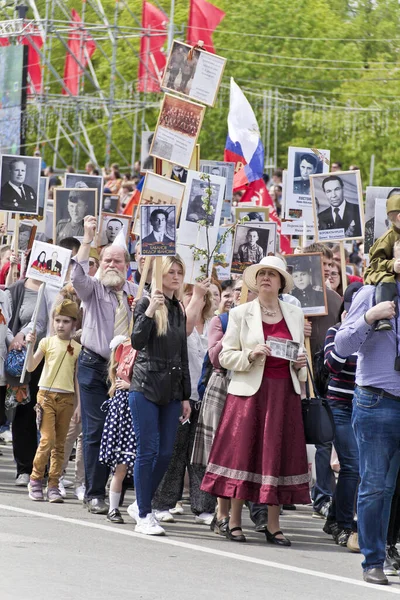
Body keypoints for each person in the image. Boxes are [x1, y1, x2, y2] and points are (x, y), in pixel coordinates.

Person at [201, 256, 310, 545]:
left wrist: (301, 363)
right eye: (261, 274)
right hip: (250, 394)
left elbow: (299, 361)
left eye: (272, 275)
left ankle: (273, 525)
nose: (266, 278)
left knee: (278, 456)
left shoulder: (295, 314)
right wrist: (250, 355)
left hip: (284, 393)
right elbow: (224, 356)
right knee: (243, 455)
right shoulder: (241, 313)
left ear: (281, 282)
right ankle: (234, 521)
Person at [335, 241, 400, 585]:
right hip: (376, 401)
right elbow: (342, 347)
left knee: (390, 488)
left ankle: (388, 550)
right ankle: (373, 560)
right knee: (376, 485)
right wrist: (369, 318)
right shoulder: (371, 293)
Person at [71, 215, 138, 515]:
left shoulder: (137, 294)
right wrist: (87, 238)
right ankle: (94, 493)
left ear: (127, 266)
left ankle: (116, 491)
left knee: (123, 431)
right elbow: (76, 279)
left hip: (125, 372)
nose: (112, 265)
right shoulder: (94, 290)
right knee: (96, 430)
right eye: (107, 260)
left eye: (118, 261)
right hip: (94, 366)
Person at [127, 255, 191, 536]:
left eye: (179, 272)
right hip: (145, 385)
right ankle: (144, 513)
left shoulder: (179, 308)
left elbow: (183, 354)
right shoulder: (144, 302)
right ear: (159, 274)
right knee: (148, 451)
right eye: (170, 272)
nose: (175, 277)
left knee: (165, 453)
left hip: (172, 389)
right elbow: (137, 341)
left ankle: (140, 502)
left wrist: (186, 395)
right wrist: (151, 309)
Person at [152, 279, 216, 525]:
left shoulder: (213, 324)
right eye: (188, 294)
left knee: (202, 455)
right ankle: (163, 503)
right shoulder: (178, 323)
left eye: (197, 294)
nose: (193, 297)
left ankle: (203, 507)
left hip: (207, 398)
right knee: (175, 452)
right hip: (181, 395)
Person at [25, 300, 80, 503]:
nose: (60, 325)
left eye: (65, 321)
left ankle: (54, 484)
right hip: (46, 396)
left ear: (73, 323)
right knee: (47, 440)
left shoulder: (77, 348)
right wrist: (30, 346)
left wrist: (79, 405)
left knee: (60, 444)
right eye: (57, 320)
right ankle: (36, 479)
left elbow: (76, 380)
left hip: (67, 399)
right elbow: (30, 367)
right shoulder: (46, 342)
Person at [322, 282, 362, 549]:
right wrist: (348, 334)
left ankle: (334, 518)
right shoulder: (336, 331)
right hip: (338, 405)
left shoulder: (373, 332)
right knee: (352, 465)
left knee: (358, 468)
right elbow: (331, 365)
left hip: (364, 406)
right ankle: (345, 526)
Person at [305, 243, 342, 519]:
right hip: (297, 373)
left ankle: (323, 496)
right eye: (322, 263)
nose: (328, 269)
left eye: (331, 264)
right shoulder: (291, 299)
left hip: (326, 375)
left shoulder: (338, 301)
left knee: (324, 438)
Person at [99, 336, 136, 524]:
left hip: (134, 420)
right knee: (120, 469)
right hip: (126, 424)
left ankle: (139, 508)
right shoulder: (120, 387)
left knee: (134, 470)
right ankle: (113, 508)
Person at [363, 193, 400, 331]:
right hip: (382, 271)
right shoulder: (387, 238)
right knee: (387, 280)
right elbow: (375, 261)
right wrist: (392, 265)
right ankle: (383, 318)